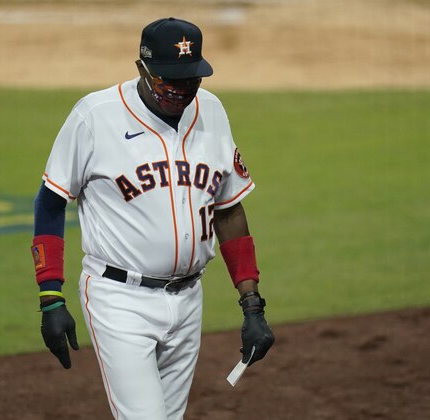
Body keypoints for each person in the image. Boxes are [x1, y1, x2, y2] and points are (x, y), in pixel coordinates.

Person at [30, 17, 274, 420]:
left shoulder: (211, 110)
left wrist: (253, 307)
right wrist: (50, 296)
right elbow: (51, 201)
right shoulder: (96, 116)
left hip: (189, 300)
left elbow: (229, 209)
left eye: (190, 82)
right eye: (167, 82)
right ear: (141, 68)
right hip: (118, 299)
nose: (180, 93)